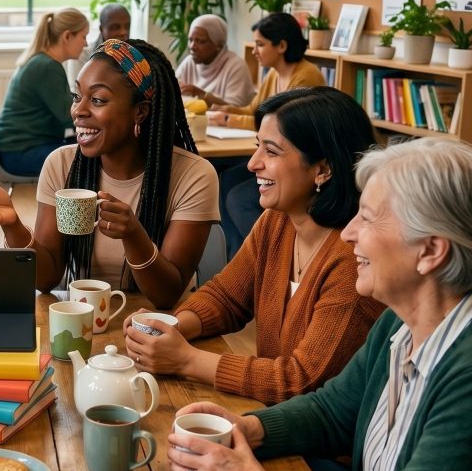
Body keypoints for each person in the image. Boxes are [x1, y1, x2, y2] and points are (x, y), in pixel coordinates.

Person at [167, 138, 472, 471]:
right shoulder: (401, 323)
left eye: (369, 219)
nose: (349, 233)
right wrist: (248, 429)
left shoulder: (466, 369)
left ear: (431, 252)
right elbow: (335, 408)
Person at [125, 88, 384, 403]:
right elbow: (226, 297)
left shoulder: (352, 260)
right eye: (257, 146)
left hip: (315, 449)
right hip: (272, 416)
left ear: (323, 169)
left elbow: (299, 381)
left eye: (271, 152)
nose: (252, 164)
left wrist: (185, 360)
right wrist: (170, 327)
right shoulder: (278, 222)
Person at [0, 39, 219, 308]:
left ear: (140, 111)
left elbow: (167, 295)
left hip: (159, 328)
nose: (78, 111)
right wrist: (12, 226)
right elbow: (47, 279)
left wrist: (134, 236)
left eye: (97, 99)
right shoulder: (61, 164)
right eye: (77, 96)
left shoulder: (194, 176)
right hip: (84, 319)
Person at [212, 12, 326, 257]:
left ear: (282, 46)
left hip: (292, 161)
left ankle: (267, 257)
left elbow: (282, 128)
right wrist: (222, 108)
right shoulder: (274, 74)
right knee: (225, 180)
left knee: (237, 198)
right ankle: (233, 257)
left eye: (260, 44)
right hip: (274, 154)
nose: (254, 51)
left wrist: (228, 119)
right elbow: (255, 112)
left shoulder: (306, 76)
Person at [0, 8, 89, 175]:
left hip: (17, 148)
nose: (86, 44)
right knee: (90, 156)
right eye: (83, 36)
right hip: (19, 153)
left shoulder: (41, 61)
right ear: (67, 36)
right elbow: (69, 116)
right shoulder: (47, 67)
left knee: (86, 148)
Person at [175, 13, 255, 108]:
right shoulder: (189, 62)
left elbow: (236, 109)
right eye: (190, 40)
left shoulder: (236, 66)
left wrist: (200, 94)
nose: (192, 46)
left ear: (219, 45)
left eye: (201, 41)